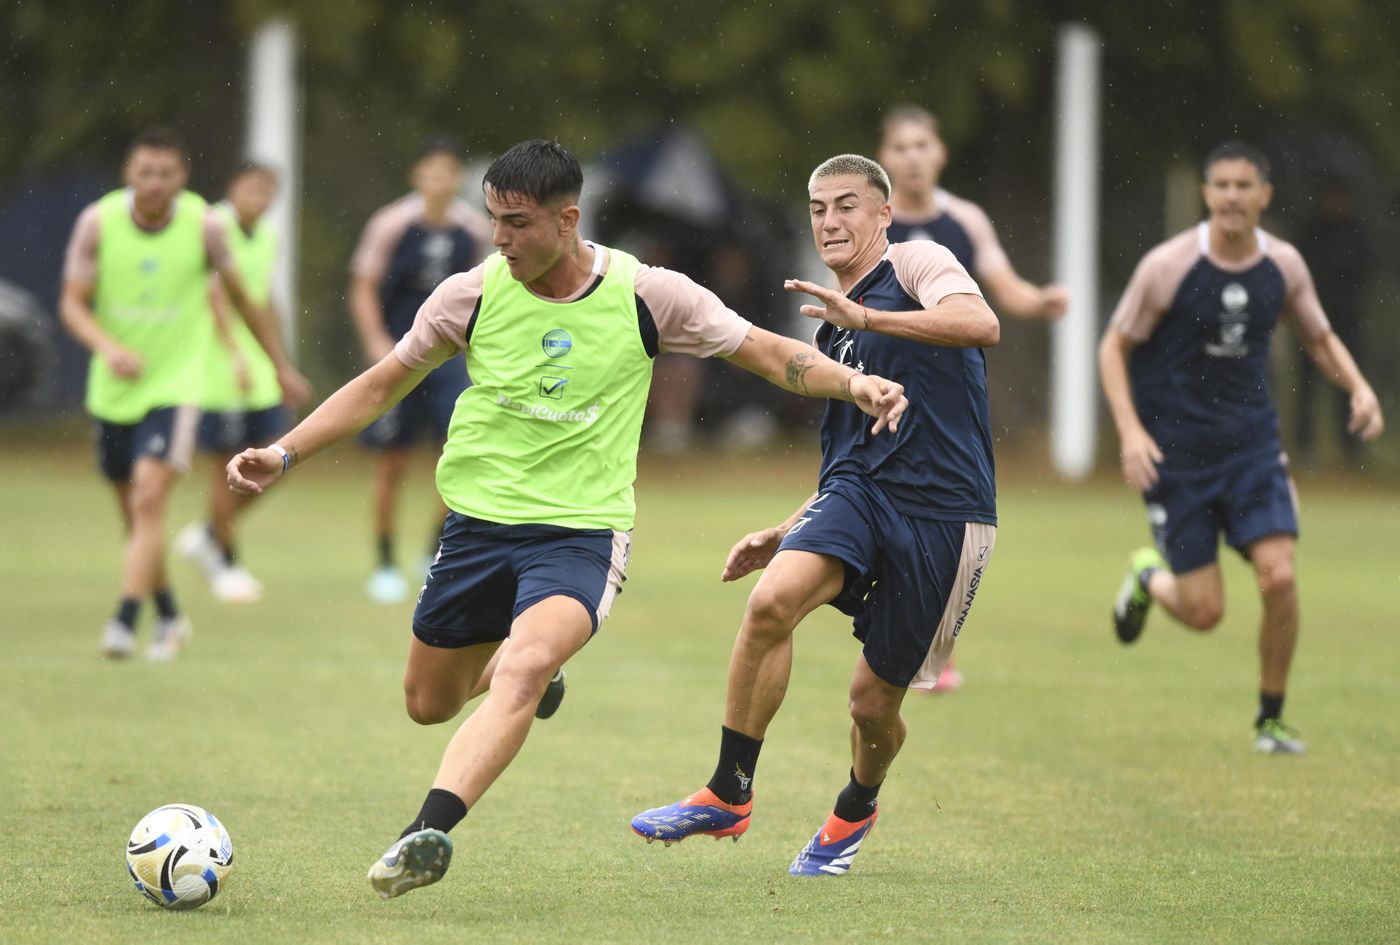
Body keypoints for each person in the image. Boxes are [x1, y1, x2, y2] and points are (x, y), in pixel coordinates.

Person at [225, 139, 907, 899]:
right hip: (477, 531)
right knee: (429, 703)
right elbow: (381, 384)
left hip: (580, 535)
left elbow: (766, 350)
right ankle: (532, 681)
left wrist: (856, 384)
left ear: (567, 219)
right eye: (494, 221)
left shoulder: (649, 294)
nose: (499, 239)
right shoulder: (470, 295)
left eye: (516, 223)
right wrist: (282, 453)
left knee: (521, 665)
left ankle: (425, 832)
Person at [631, 153, 999, 878]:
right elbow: (848, 461)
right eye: (818, 208)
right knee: (771, 602)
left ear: (883, 214)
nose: (830, 221)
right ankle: (729, 790)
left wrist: (869, 314)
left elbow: (980, 321)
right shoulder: (833, 335)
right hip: (861, 497)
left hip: (944, 515)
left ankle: (855, 805)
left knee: (870, 705)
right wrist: (783, 528)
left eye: (847, 205)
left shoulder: (918, 263)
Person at [1099, 142, 1384, 756]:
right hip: (1178, 458)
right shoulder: (1169, 266)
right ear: (1206, 195)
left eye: (1243, 185)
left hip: (1252, 451)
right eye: (1221, 185)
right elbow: (1113, 347)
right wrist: (1130, 430)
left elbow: (1320, 335)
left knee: (1279, 578)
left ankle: (1271, 719)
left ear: (1264, 196)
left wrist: (1359, 386)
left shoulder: (1283, 266)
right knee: (1205, 614)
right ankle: (1149, 575)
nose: (1232, 196)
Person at [59, 127, 310, 660]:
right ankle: (170, 614)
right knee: (135, 518)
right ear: (129, 173)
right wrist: (107, 347)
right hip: (112, 391)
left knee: (150, 500)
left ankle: (124, 623)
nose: (154, 183)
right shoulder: (97, 223)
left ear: (183, 177)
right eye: (144, 172)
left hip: (176, 386)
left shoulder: (203, 226)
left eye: (165, 173)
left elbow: (244, 298)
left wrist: (279, 365)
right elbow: (73, 303)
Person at [878, 103, 1065, 692]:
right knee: (879, 509)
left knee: (944, 517)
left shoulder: (965, 221)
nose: (912, 157)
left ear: (940, 154)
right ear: (884, 158)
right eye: (901, 147)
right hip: (880, 386)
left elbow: (999, 284)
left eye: (922, 145)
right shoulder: (872, 223)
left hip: (948, 394)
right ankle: (901, 634)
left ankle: (935, 645)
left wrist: (1036, 302)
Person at [349, 137, 490, 604]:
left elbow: (485, 293)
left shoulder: (472, 229)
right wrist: (375, 342)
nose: (440, 181)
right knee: (392, 462)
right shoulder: (391, 224)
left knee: (462, 453)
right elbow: (364, 285)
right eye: (431, 171)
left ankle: (434, 549)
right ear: (417, 177)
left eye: (449, 172)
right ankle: (385, 562)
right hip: (399, 356)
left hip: (449, 364)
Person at [176, 162, 296, 602]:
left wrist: (280, 360)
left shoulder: (267, 235)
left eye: (268, 194)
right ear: (232, 188)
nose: (259, 200)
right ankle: (225, 564)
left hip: (258, 370)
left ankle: (209, 533)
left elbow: (260, 297)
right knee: (226, 467)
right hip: (218, 370)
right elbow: (215, 296)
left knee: (280, 456)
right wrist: (234, 355)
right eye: (251, 190)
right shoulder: (213, 226)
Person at [1293, 175, 1372, 466]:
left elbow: (1365, 269)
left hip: (1347, 318)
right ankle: (1305, 447)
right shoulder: (1312, 230)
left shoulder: (1355, 232)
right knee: (1306, 385)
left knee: (1347, 381)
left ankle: (1351, 446)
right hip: (1311, 319)